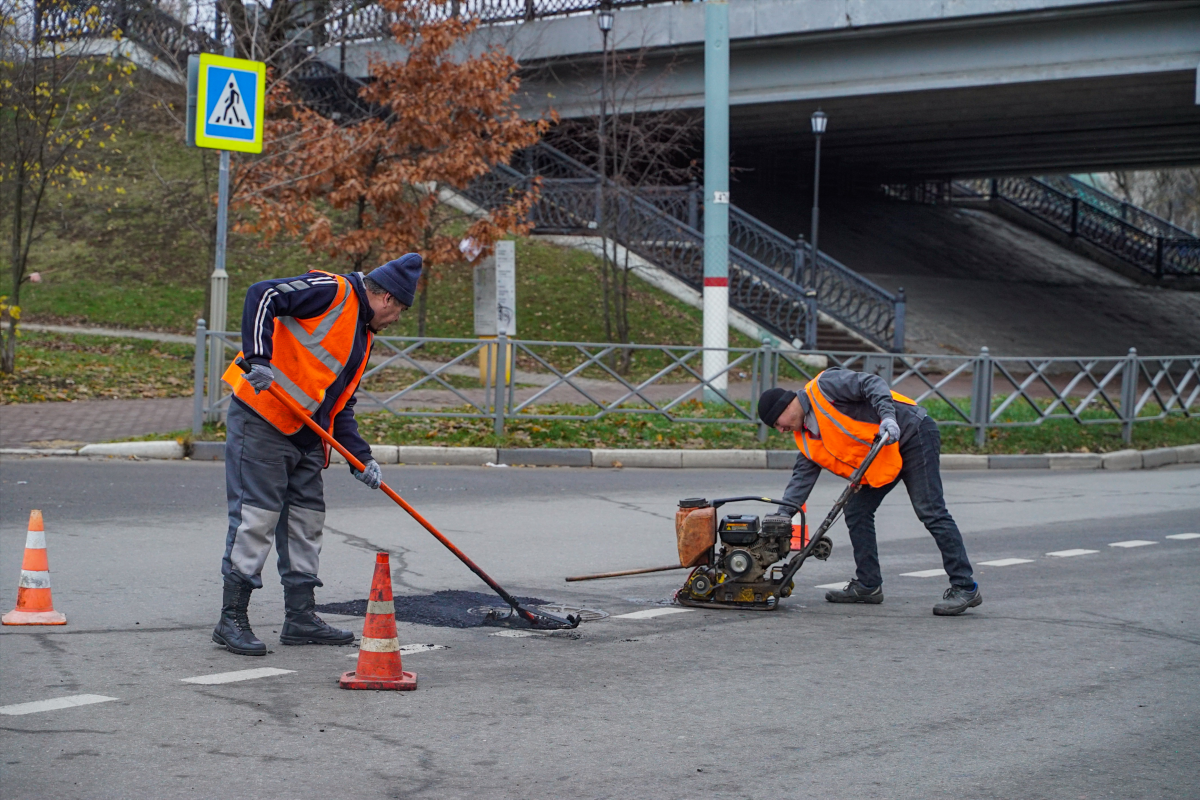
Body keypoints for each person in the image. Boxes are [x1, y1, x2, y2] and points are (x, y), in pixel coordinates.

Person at [211, 254, 422, 656]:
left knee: (306, 523)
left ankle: (300, 617)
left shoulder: (363, 336)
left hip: (306, 434)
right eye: (399, 313)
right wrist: (258, 358)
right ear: (388, 300)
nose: (396, 321)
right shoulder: (332, 291)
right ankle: (231, 619)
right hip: (263, 415)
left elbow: (339, 405)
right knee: (256, 518)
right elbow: (263, 294)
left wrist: (362, 457)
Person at [757, 367, 981, 616]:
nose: (781, 430)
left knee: (930, 510)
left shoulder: (825, 386)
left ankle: (965, 586)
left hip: (912, 433)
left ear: (786, 407)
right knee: (856, 510)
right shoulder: (808, 438)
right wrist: (782, 516)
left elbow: (871, 383)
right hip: (883, 454)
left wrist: (888, 417)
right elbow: (801, 480)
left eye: (777, 423)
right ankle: (869, 585)